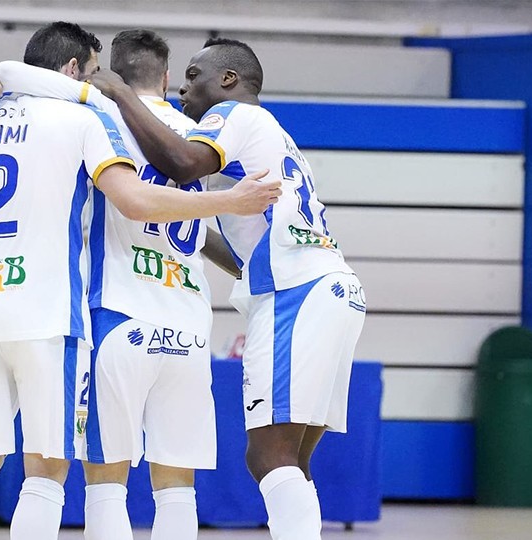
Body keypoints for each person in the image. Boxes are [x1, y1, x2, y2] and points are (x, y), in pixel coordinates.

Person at [0, 22, 280, 540]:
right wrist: (233, 206)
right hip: (115, 315)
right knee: (136, 480)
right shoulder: (163, 131)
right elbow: (151, 207)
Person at [88, 38, 367, 540]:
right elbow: (223, 241)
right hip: (332, 289)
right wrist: (176, 216)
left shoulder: (233, 114)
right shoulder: (272, 133)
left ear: (229, 80)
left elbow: (182, 162)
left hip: (295, 293)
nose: (183, 90)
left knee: (267, 456)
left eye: (194, 76)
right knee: (293, 460)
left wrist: (119, 94)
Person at [77, 29, 216, 540]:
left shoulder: (97, 116)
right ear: (166, 75)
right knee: (177, 483)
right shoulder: (195, 136)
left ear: (109, 71)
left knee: (106, 480)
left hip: (119, 312)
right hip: (188, 324)